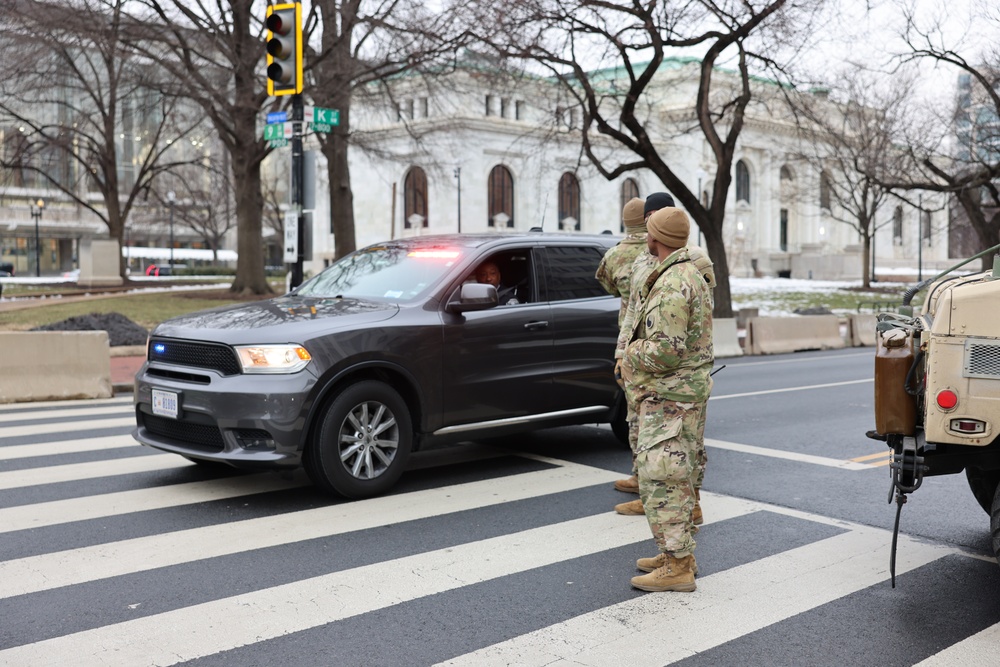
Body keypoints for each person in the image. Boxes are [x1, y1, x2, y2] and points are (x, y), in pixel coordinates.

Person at [620, 206, 714, 593]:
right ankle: (678, 554)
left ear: (653, 237)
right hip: (678, 395)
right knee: (677, 476)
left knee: (664, 478)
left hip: (669, 396)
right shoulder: (683, 271)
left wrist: (629, 353)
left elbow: (666, 350)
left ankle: (677, 566)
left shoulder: (674, 282)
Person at [595, 196, 655, 502]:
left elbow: (607, 285)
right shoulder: (662, 249)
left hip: (630, 342)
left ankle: (640, 475)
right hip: (660, 341)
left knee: (636, 413)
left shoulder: (616, 255)